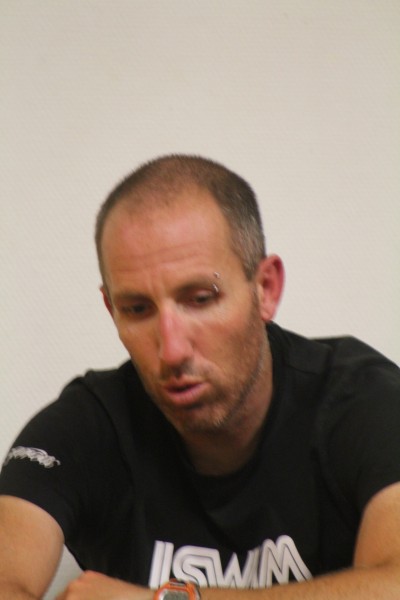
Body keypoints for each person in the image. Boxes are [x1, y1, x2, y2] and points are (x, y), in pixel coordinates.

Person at [0, 155, 400, 600]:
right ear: (112, 311)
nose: (171, 350)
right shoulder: (87, 426)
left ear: (265, 289)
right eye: (137, 309)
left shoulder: (364, 402)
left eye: (200, 299)